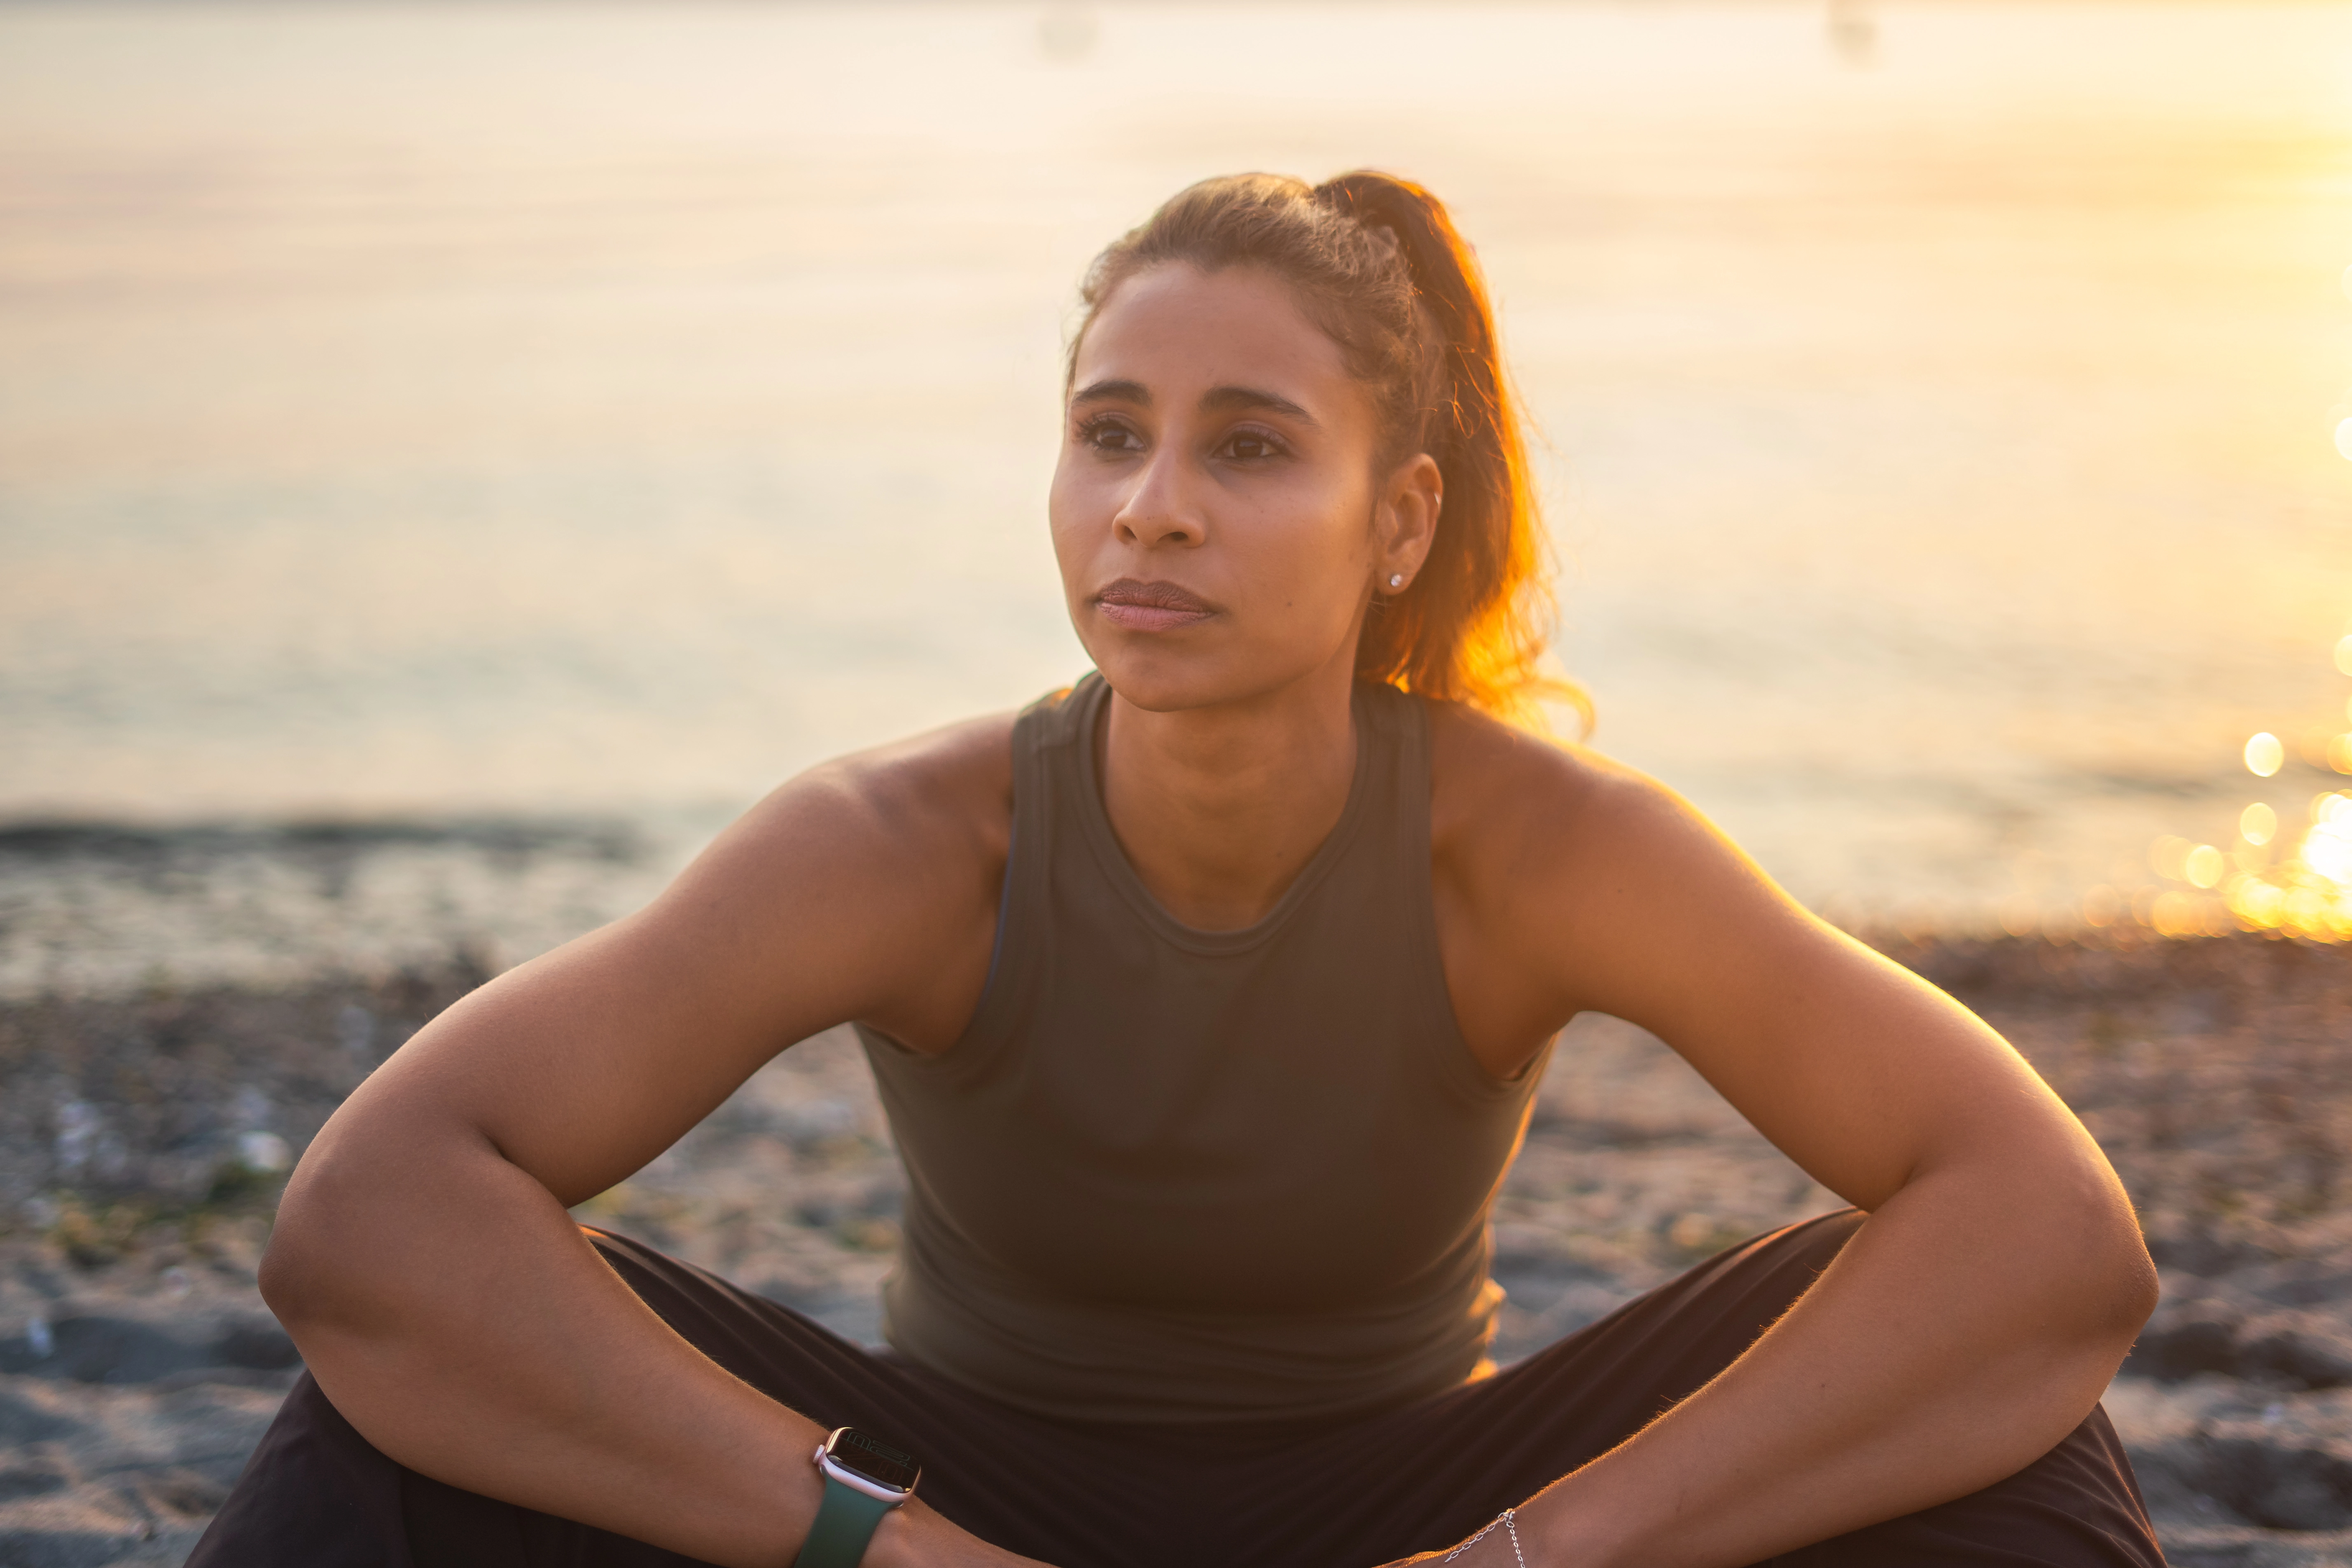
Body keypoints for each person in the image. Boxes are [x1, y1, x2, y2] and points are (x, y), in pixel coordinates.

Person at [190, 172, 2164, 1568]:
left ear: (1396, 521)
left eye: (1245, 450)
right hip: (953, 1505)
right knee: (373, 1440)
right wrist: (889, 1559)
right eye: (1107, 435)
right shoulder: (894, 846)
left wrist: (1524, 1559)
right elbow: (364, 1225)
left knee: (2000, 1448)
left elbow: (2049, 1242)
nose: (1151, 509)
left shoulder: (1541, 847)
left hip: (1412, 1502)